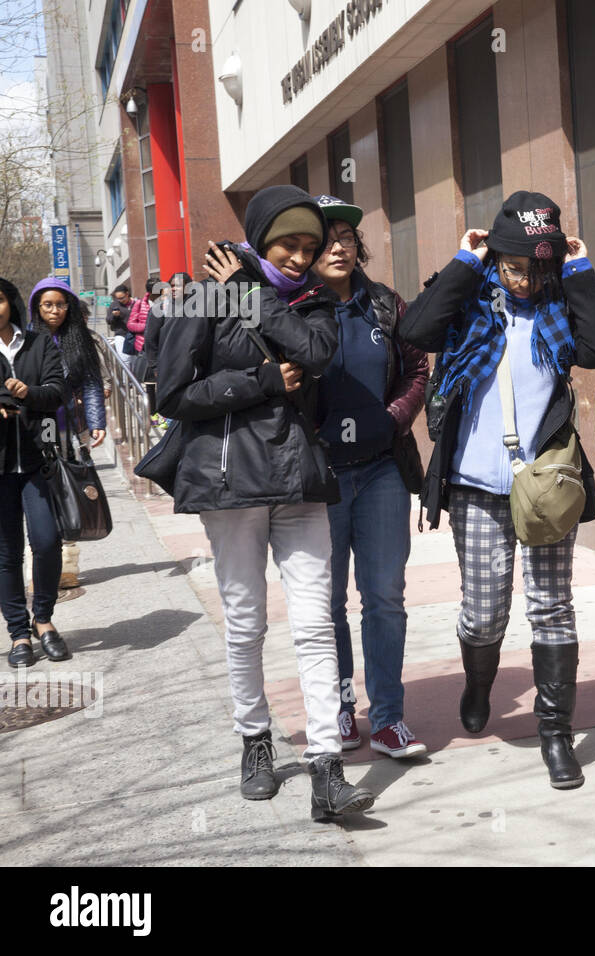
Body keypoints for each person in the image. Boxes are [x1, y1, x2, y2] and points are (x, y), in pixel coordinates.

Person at [155, 184, 375, 822]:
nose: (303, 257)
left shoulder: (311, 301)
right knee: (246, 621)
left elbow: (315, 353)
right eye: (289, 244)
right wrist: (257, 382)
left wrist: (255, 296)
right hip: (232, 483)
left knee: (313, 622)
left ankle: (327, 766)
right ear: (259, 237)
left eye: (311, 246)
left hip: (300, 478)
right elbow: (171, 394)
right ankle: (254, 739)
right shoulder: (204, 296)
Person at [399, 190, 595, 789]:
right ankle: (478, 683)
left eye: (536, 267)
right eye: (513, 265)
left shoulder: (560, 306)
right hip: (475, 485)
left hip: (545, 485)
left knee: (551, 606)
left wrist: (576, 271)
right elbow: (415, 329)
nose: (523, 280)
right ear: (495, 258)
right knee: (485, 610)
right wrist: (465, 264)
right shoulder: (470, 304)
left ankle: (555, 732)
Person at [310, 195, 430, 759]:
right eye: (327, 237)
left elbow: (415, 369)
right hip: (321, 479)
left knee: (384, 596)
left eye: (348, 237)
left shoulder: (384, 305)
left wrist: (394, 418)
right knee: (326, 603)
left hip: (381, 471)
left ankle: (387, 718)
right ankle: (338, 707)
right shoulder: (293, 308)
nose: (339, 246)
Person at [0, 278, 66, 668]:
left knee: (46, 542)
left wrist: (28, 394)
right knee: (7, 553)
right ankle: (19, 634)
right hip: (1, 466)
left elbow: (57, 390)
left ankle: (44, 620)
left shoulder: (38, 343)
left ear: (11, 303)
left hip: (38, 458)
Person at [27, 277, 108, 591]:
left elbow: (90, 384)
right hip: (39, 426)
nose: (54, 311)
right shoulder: (27, 340)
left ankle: (68, 565)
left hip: (69, 428)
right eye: (48, 304)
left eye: (60, 304)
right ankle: (42, 564)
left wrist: (96, 421)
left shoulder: (78, 339)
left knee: (70, 490)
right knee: (42, 493)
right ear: (36, 306)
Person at [143, 271, 191, 422]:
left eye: (179, 286)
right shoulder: (160, 308)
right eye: (172, 286)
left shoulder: (197, 307)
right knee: (172, 407)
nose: (175, 289)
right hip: (167, 365)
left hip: (190, 365)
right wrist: (155, 367)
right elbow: (150, 340)